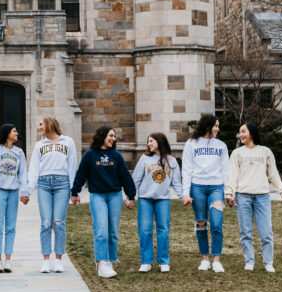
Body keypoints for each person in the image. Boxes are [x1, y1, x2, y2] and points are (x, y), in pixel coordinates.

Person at [226, 122, 282, 272]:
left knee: (266, 232)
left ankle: (268, 263)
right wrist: (229, 194)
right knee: (245, 232)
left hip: (262, 197)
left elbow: (273, 173)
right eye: (239, 132)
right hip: (242, 197)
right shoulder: (237, 153)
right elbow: (232, 175)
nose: (240, 135)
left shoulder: (265, 152)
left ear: (252, 132)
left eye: (243, 131)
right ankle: (249, 261)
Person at [71, 126, 136, 278]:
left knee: (112, 231)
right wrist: (75, 192)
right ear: (102, 136)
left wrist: (130, 195)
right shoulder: (90, 155)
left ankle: (110, 261)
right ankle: (102, 263)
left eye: (114, 136)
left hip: (115, 196)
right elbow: (81, 174)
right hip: (97, 196)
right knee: (101, 230)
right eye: (111, 135)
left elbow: (125, 177)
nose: (113, 138)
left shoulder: (117, 156)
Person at [27, 116, 79, 273]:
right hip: (44, 184)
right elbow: (34, 168)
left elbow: (72, 166)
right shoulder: (39, 145)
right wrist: (28, 190)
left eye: (41, 124)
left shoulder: (68, 142)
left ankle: (58, 259)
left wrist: (74, 191)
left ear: (49, 125)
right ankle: (45, 260)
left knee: (59, 222)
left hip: (62, 184)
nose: (39, 127)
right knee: (45, 222)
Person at [181, 114, 230, 273]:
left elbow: (225, 171)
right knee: (201, 223)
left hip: (216, 188)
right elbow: (187, 170)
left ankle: (216, 260)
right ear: (208, 126)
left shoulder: (221, 146)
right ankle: (205, 259)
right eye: (216, 125)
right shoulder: (191, 144)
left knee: (216, 223)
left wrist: (228, 192)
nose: (218, 129)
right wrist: (185, 193)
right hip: (197, 188)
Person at [0, 123, 30, 272]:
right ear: (7, 133)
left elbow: (23, 174)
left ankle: (8, 260)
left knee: (10, 227)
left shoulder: (19, 152)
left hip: (13, 191)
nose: (17, 133)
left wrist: (25, 192)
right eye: (14, 131)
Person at [132, 133, 182, 273]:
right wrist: (131, 197)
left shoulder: (171, 161)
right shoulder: (144, 159)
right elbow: (135, 180)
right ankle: (146, 261)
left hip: (163, 199)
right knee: (145, 230)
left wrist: (182, 196)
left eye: (151, 141)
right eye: (148, 141)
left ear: (160, 142)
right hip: (145, 199)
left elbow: (177, 182)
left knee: (163, 230)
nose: (149, 144)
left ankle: (163, 261)